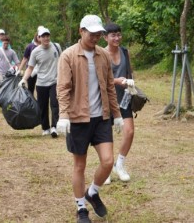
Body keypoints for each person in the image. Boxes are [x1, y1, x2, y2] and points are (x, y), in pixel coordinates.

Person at [56, 15, 123, 222]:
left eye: (98, 34)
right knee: (79, 165)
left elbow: (110, 86)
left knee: (108, 161)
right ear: (81, 31)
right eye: (91, 33)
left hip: (101, 117)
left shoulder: (103, 55)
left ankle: (92, 192)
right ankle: (81, 207)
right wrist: (64, 115)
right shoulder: (68, 56)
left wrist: (117, 114)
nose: (95, 37)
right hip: (78, 119)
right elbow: (63, 88)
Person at [103, 23, 135, 184]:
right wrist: (117, 81)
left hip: (124, 98)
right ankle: (106, 168)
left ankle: (119, 164)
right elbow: (100, 79)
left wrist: (131, 83)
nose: (117, 38)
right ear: (105, 37)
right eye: (113, 35)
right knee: (106, 135)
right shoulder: (101, 54)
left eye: (118, 34)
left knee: (129, 132)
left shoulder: (124, 52)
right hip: (106, 99)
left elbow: (130, 71)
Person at [19, 27, 61, 138]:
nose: (46, 38)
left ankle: (54, 127)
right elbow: (30, 68)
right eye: (43, 36)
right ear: (39, 38)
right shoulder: (35, 52)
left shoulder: (56, 47)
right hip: (41, 82)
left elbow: (62, 61)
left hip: (55, 81)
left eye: (47, 36)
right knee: (42, 106)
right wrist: (24, 79)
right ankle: (45, 127)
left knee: (54, 104)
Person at [16, 31, 41, 96]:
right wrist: (19, 69)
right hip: (31, 70)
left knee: (41, 88)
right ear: (37, 37)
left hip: (41, 71)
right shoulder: (30, 46)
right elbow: (25, 58)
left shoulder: (46, 47)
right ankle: (31, 103)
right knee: (31, 88)